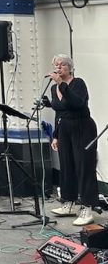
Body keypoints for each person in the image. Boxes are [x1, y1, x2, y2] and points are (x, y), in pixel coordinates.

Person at [45, 55, 99, 226]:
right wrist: (56, 135)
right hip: (65, 128)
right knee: (66, 165)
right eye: (56, 65)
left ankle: (86, 208)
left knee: (84, 166)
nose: (58, 67)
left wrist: (61, 85)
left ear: (69, 68)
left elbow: (76, 103)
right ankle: (68, 202)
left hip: (83, 127)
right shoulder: (54, 89)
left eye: (62, 65)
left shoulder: (78, 83)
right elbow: (59, 111)